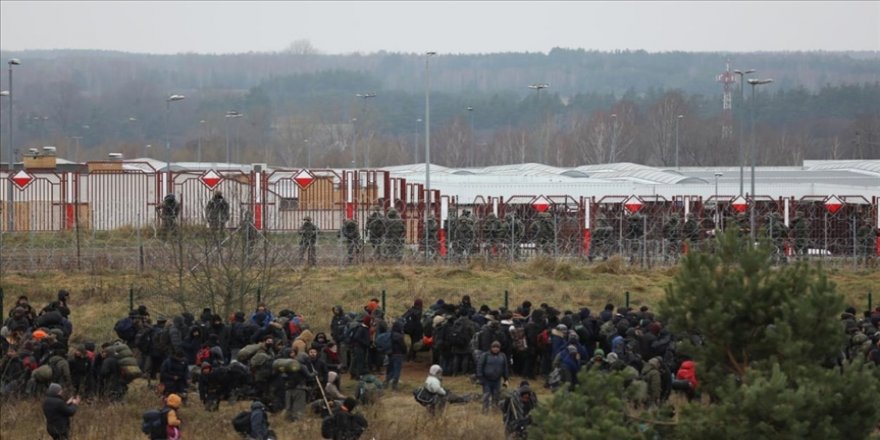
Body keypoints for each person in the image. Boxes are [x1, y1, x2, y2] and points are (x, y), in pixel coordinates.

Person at [476, 341, 509, 413]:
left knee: (496, 396)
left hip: (497, 380)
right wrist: (480, 377)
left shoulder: (502, 356)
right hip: (486, 380)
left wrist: (506, 378)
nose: (495, 349)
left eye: (497, 347)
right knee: (486, 396)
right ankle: (485, 411)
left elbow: (505, 367)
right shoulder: (485, 355)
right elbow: (480, 366)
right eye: (494, 347)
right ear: (491, 348)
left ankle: (495, 410)